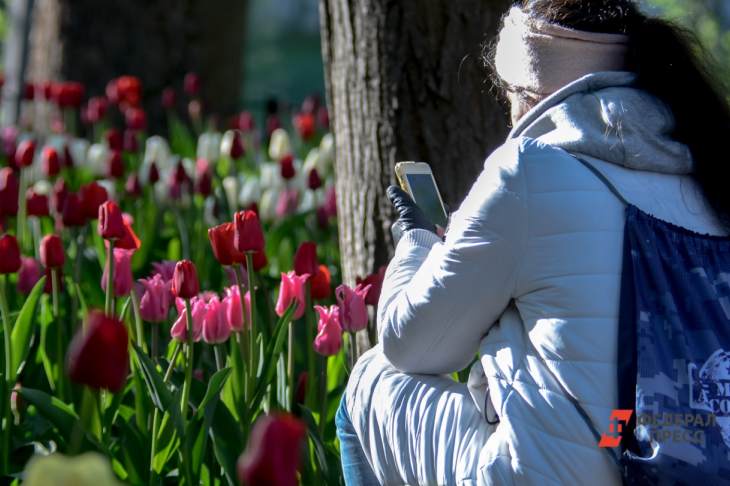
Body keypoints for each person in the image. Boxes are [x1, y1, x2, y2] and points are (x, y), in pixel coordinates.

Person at [335, 0, 730, 484]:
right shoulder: (711, 174)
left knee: (368, 382)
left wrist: (417, 240)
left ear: (530, 92)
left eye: (507, 95)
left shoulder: (528, 167)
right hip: (681, 464)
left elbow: (411, 345)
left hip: (553, 473)